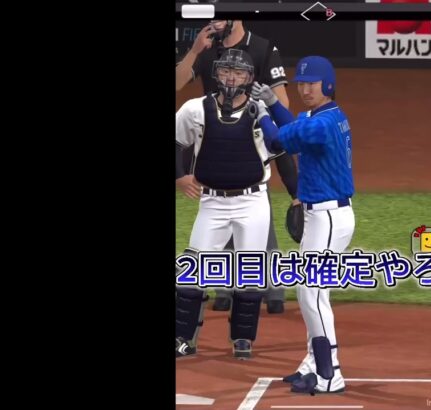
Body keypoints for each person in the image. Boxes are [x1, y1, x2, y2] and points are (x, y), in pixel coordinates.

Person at [176, 17, 297, 314]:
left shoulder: (262, 48)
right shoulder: (207, 49)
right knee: (220, 215)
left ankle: (272, 291)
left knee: (256, 218)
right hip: (215, 137)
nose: (215, 22)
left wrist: (262, 113)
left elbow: (283, 104)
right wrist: (194, 51)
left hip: (256, 131)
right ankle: (225, 290)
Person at [250, 56, 354, 394]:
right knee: (310, 293)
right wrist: (271, 102)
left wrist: (261, 112)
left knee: (312, 293)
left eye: (312, 83)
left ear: (327, 84)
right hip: (319, 216)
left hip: (328, 217)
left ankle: (330, 373)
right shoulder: (321, 116)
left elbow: (277, 141)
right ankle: (312, 363)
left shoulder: (322, 125)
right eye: (301, 83)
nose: (305, 89)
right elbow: (293, 124)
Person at [175, 49, 278, 360]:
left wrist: (297, 195)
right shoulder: (195, 109)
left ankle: (243, 339)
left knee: (249, 274)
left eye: (239, 72)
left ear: (249, 78)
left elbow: (281, 152)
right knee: (192, 271)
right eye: (226, 71)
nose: (231, 78)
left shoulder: (261, 112)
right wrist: (180, 176)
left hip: (253, 201)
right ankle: (184, 337)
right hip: (212, 202)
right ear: (217, 74)